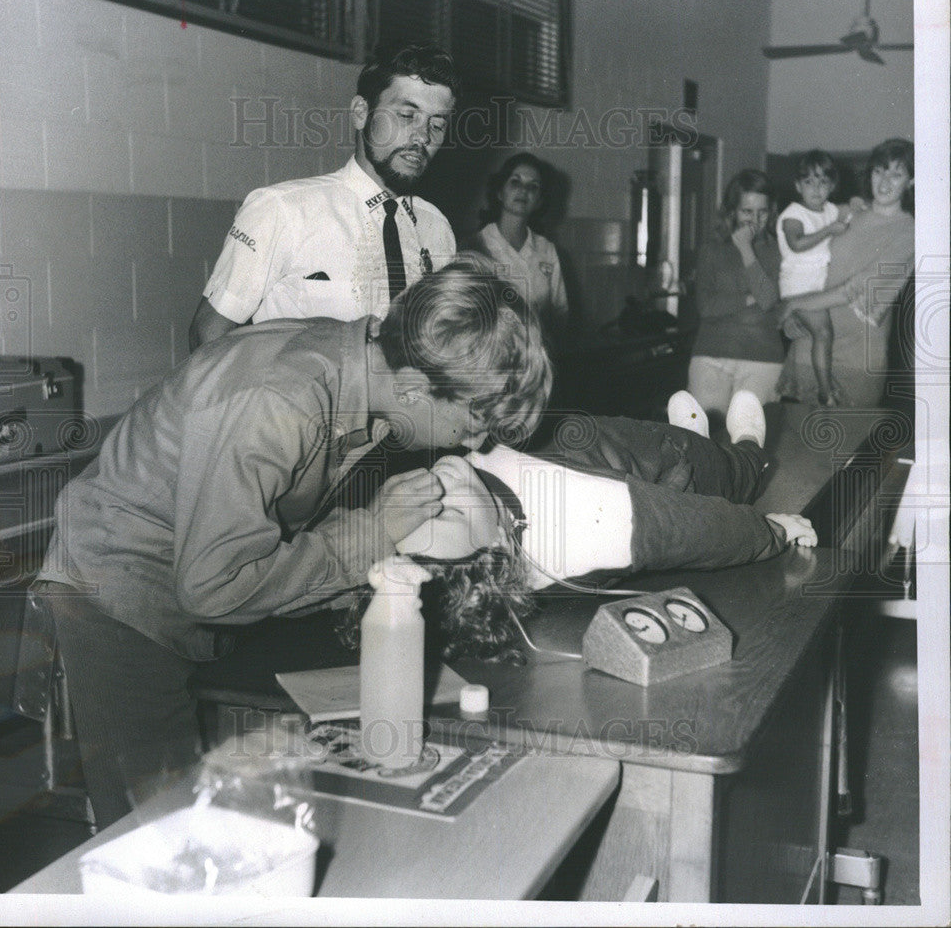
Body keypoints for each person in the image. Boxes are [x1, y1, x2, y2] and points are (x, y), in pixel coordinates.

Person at [32, 259, 552, 829]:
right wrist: (373, 532)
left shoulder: (358, 370)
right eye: (473, 420)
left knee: (227, 802)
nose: (474, 444)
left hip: (181, 587)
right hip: (116, 593)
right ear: (414, 387)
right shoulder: (281, 398)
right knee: (160, 830)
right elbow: (213, 588)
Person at [341, 389, 816, 663]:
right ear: (496, 553)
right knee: (727, 473)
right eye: (449, 511)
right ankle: (750, 449)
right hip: (657, 473)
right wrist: (771, 532)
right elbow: (701, 531)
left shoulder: (474, 493)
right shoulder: (588, 527)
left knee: (673, 445)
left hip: (615, 449)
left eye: (409, 501)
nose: (435, 487)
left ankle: (691, 435)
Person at [188, 42, 460, 350]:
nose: (422, 136)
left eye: (436, 125)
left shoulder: (436, 228)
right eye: (407, 115)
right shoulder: (283, 209)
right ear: (361, 113)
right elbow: (207, 336)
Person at [777, 138, 915, 407]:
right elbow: (796, 254)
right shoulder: (845, 213)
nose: (885, 182)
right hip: (810, 346)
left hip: (857, 357)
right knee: (794, 444)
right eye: (878, 171)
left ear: (910, 182)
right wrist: (796, 309)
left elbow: (856, 288)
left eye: (896, 174)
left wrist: (794, 305)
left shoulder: (909, 232)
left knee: (848, 445)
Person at [688, 169, 785, 422]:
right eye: (747, 212)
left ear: (771, 212)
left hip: (763, 358)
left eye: (762, 212)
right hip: (710, 355)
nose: (755, 220)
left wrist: (745, 249)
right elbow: (706, 307)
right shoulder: (711, 249)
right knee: (703, 439)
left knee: (748, 441)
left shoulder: (777, 249)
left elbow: (766, 300)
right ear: (732, 211)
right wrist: (747, 298)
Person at [776, 150, 864, 406]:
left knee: (821, 334)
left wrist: (856, 203)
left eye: (823, 182)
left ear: (832, 186)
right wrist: (828, 230)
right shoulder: (793, 214)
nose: (816, 189)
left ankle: (823, 389)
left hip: (816, 286)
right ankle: (826, 393)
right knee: (823, 334)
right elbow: (796, 244)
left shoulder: (828, 209)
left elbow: (848, 208)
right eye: (809, 182)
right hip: (798, 288)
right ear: (797, 186)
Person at [473, 152, 569, 346]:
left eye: (533, 187)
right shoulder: (477, 246)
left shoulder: (546, 249)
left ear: (539, 200)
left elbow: (560, 314)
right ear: (500, 192)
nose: (524, 191)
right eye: (515, 182)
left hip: (539, 361)